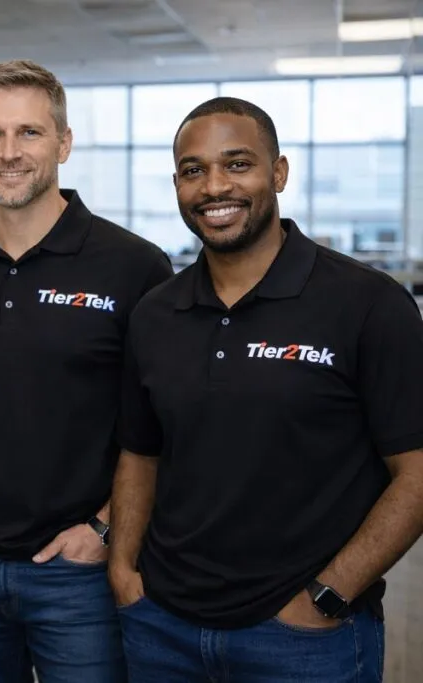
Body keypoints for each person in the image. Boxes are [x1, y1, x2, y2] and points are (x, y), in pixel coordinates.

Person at [110, 96, 423, 682]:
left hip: (305, 639)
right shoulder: (155, 314)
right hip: (162, 628)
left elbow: (417, 471)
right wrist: (123, 571)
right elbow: (140, 454)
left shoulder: (368, 304)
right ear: (177, 185)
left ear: (278, 173)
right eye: (194, 170)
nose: (214, 187)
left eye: (237, 164)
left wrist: (330, 593)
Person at [0, 59, 174, 683]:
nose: (9, 152)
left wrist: (105, 528)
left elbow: (165, 423)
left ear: (64, 142)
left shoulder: (134, 267)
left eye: (29, 131)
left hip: (79, 572)